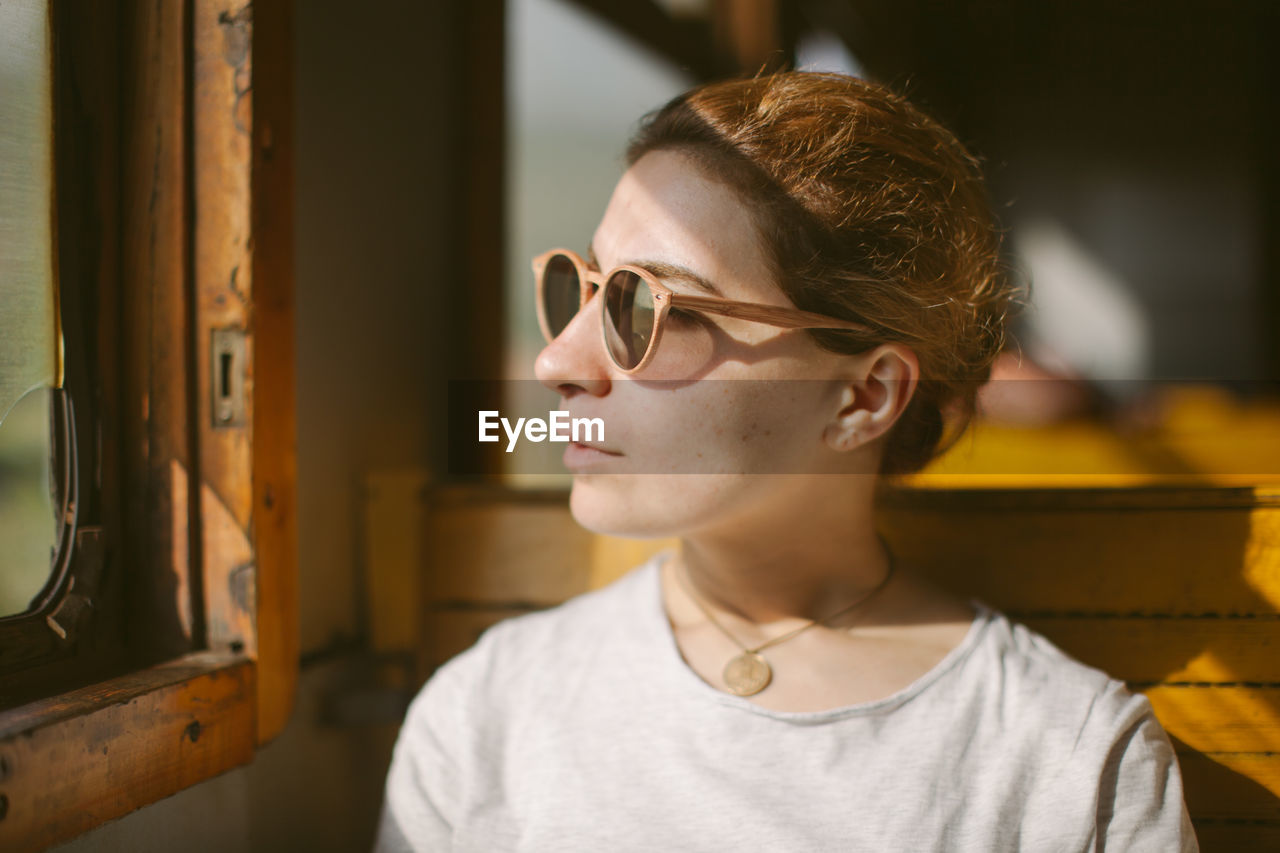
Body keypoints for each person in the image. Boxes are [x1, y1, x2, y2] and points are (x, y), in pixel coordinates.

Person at [375, 72, 1197, 851]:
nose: (558, 360)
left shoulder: (1071, 762)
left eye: (649, 306)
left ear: (863, 398)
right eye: (584, 288)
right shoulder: (486, 709)